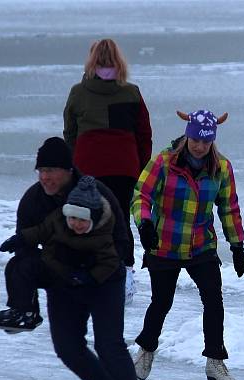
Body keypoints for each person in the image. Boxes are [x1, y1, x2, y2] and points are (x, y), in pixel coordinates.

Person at [0, 137, 154, 380]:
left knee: (109, 346)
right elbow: (27, 247)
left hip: (103, 278)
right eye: (40, 170)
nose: (45, 177)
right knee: (67, 347)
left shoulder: (98, 194)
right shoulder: (34, 200)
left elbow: (121, 242)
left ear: (68, 169)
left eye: (52, 169)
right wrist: (34, 295)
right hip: (63, 278)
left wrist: (96, 274)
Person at [131, 110, 244, 380]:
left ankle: (215, 360)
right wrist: (144, 222)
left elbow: (228, 206)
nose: (199, 146)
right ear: (187, 136)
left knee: (213, 300)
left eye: (206, 142)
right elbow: (141, 194)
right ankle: (146, 351)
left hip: (200, 244)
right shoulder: (164, 162)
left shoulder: (220, 167)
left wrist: (237, 244)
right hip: (165, 242)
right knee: (162, 302)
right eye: (195, 139)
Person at [63, 38, 153, 305]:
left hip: (87, 168)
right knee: (120, 222)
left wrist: (73, 167)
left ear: (90, 61)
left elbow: (70, 134)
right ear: (120, 61)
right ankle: (124, 277)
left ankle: (88, 275)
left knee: (85, 222)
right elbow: (144, 135)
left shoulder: (78, 92)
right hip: (124, 168)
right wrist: (139, 167)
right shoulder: (132, 92)